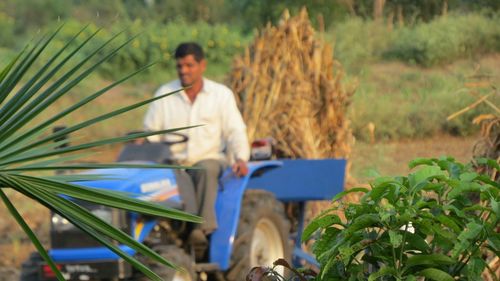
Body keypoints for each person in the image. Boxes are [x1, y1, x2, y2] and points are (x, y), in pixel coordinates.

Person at [143, 42, 250, 248]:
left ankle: (199, 228)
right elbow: (151, 133)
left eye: (189, 66)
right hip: (173, 163)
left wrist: (240, 158)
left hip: (210, 159)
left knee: (203, 169)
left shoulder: (220, 95)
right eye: (180, 66)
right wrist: (142, 142)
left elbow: (235, 131)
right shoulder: (164, 94)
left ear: (202, 66)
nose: (184, 71)